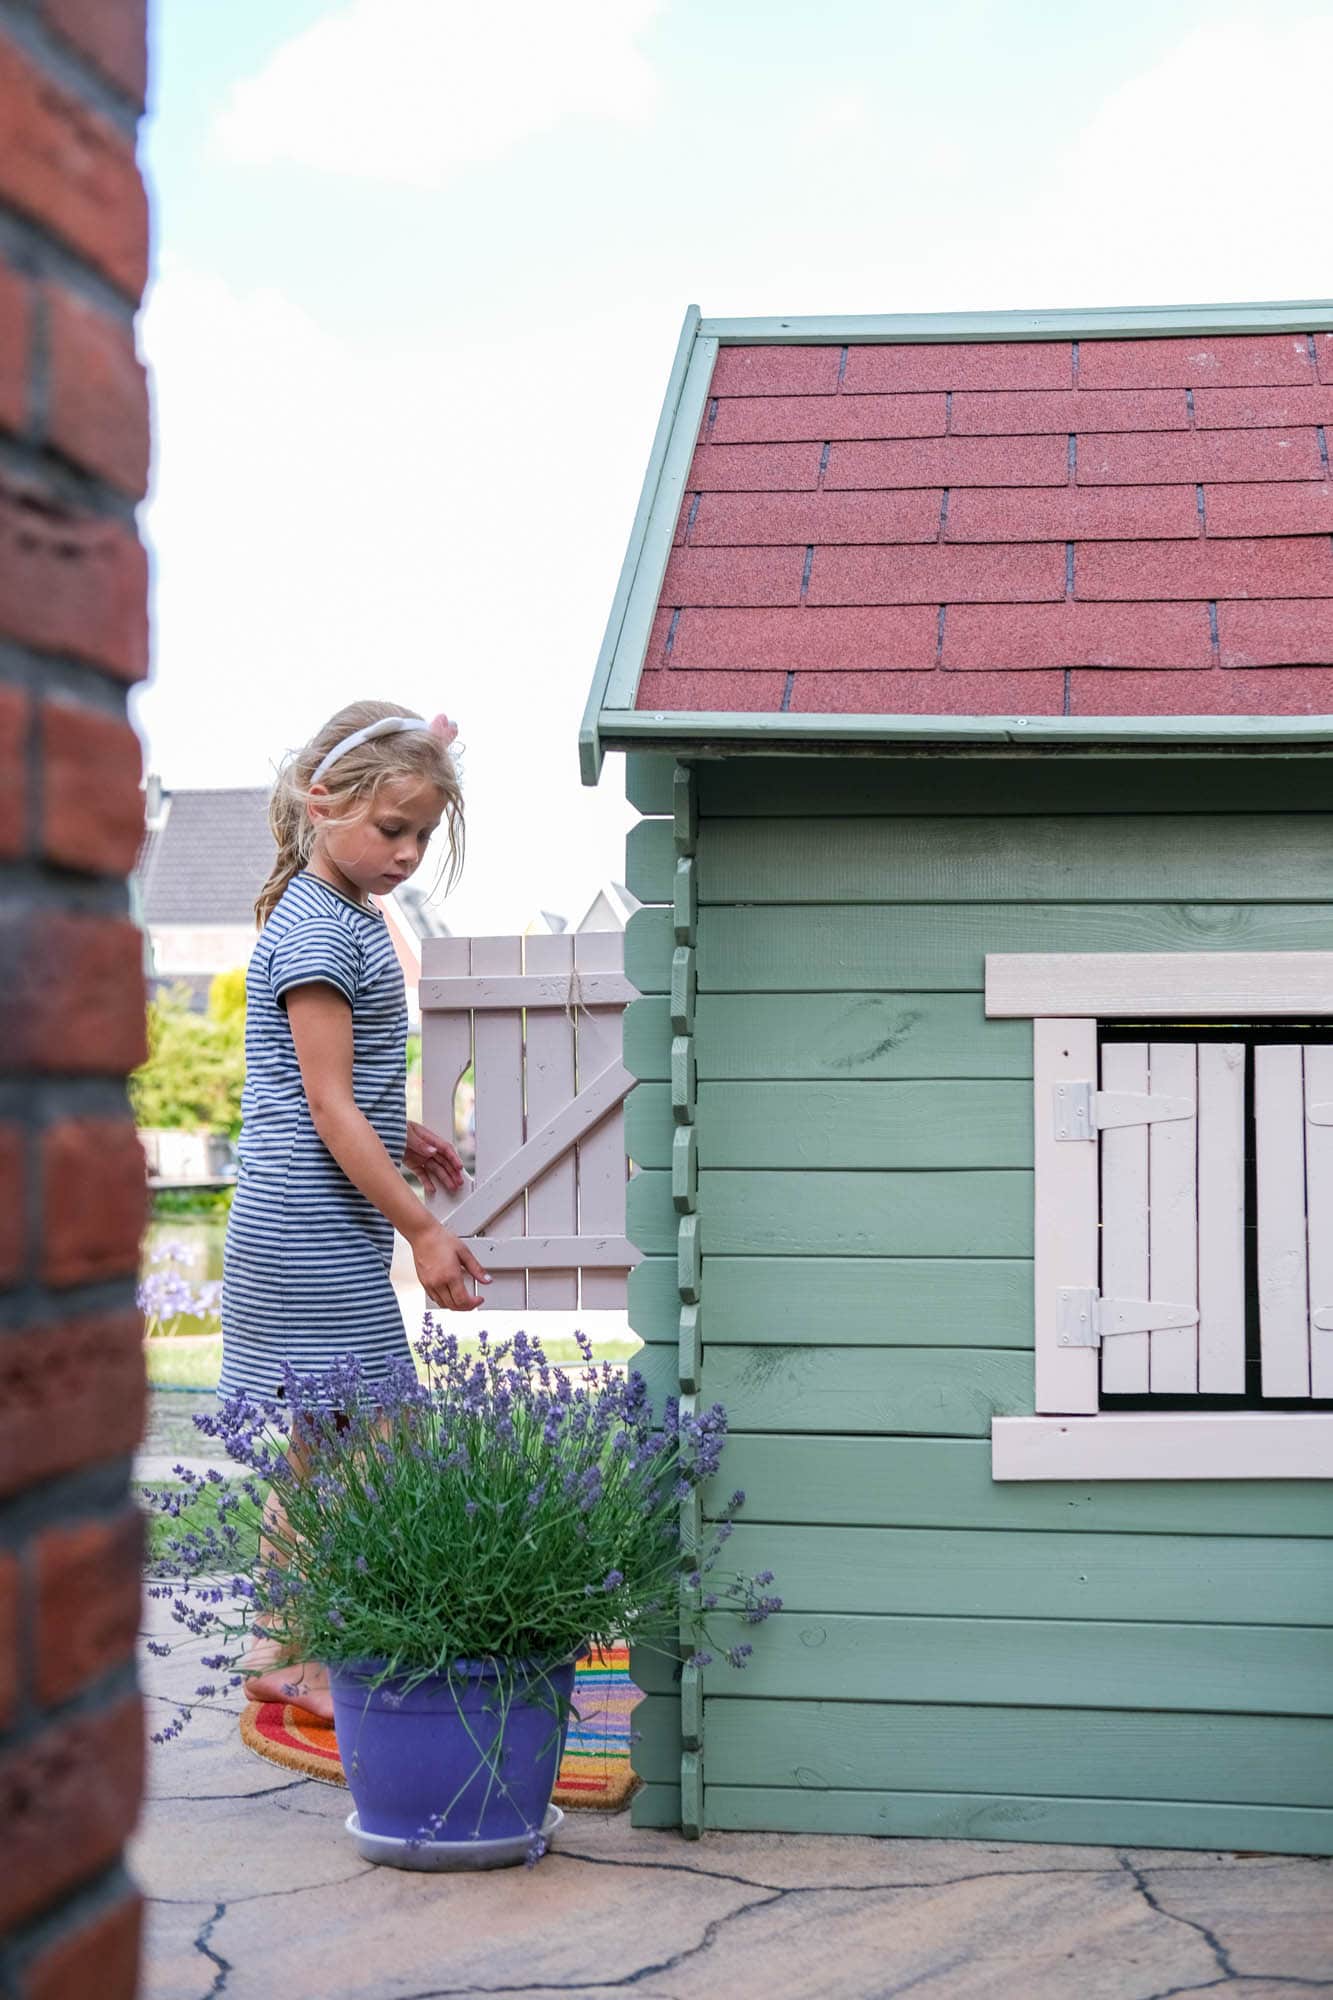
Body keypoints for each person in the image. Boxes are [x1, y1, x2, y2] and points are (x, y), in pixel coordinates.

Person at [222, 699, 489, 1716]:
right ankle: (331, 1642)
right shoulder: (315, 928)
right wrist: (422, 1227)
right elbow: (325, 1102)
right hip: (305, 1227)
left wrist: (404, 1132)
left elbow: (335, 1092)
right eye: (393, 829)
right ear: (319, 801)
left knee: (324, 1445)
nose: (410, 851)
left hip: (304, 1214)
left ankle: (274, 1647)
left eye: (422, 832)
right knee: (378, 1443)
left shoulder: (341, 911)